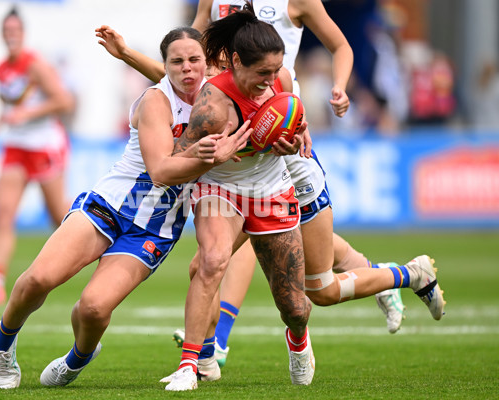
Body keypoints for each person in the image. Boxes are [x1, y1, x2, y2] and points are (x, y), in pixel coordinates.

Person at [161, 5, 445, 391]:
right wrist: (206, 152)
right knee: (209, 262)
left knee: (316, 293)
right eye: (262, 73)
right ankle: (198, 360)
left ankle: (404, 276)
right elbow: (173, 154)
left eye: (275, 73)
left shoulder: (282, 78)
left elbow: (299, 112)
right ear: (237, 61)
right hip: (223, 187)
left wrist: (294, 134)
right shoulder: (210, 105)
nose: (270, 81)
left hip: (283, 178)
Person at [0, 26, 251, 389]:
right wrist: (207, 158)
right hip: (108, 206)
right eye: (176, 61)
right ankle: (2, 344)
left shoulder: (220, 100)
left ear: (207, 65)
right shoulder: (155, 100)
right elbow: (160, 171)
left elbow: (268, 97)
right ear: (165, 66)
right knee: (39, 279)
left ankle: (76, 359)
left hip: (154, 229)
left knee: (93, 308)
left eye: (194, 60)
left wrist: (294, 129)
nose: (187, 68)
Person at [0, 7, 74, 305]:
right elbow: (10, 105)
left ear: (22, 34)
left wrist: (28, 113)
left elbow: (64, 100)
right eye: (6, 31)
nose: (11, 36)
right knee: (4, 213)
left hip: (44, 146)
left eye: (15, 31)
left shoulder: (35, 64)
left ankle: (95, 247)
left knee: (58, 216)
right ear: (2, 34)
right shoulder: (0, 69)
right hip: (16, 146)